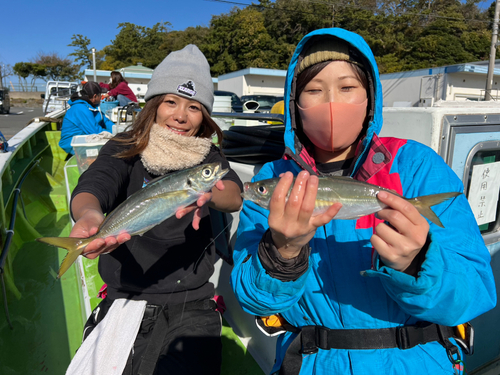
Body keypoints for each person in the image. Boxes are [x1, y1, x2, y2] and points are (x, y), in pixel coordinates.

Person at [231, 28, 496, 375]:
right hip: (312, 364)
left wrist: (417, 264)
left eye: (347, 87)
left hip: (417, 363)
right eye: (313, 90)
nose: (330, 103)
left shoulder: (415, 164)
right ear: (295, 104)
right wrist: (282, 252)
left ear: (370, 98)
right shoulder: (275, 178)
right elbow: (253, 298)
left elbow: (474, 292)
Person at [68, 44, 243, 374]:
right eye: (170, 102)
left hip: (192, 299)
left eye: (194, 107)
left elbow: (233, 194)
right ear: (153, 105)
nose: (180, 115)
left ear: (204, 115)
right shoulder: (126, 147)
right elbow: (95, 183)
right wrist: (90, 215)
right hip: (125, 295)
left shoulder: (208, 157)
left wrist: (211, 194)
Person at [59, 81, 115, 155]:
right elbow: (95, 131)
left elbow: (105, 121)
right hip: (72, 144)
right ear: (95, 96)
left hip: (85, 137)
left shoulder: (92, 105)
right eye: (100, 95)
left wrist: (118, 130)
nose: (101, 98)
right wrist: (115, 137)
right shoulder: (80, 108)